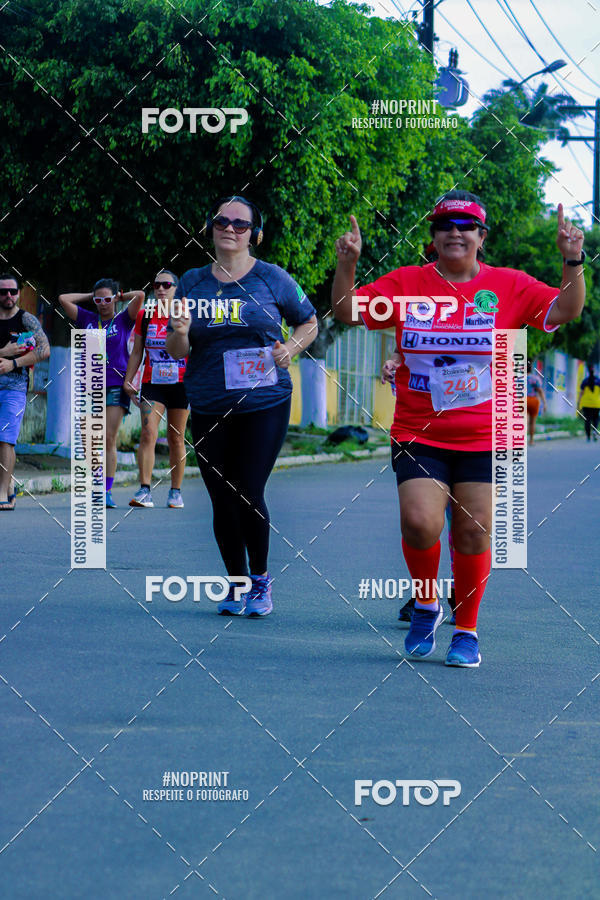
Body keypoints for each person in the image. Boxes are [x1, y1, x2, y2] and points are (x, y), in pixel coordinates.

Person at [332, 190, 585, 667]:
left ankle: (466, 628)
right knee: (420, 521)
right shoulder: (408, 283)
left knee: (474, 532)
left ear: (481, 237)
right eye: (445, 224)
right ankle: (427, 602)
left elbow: (566, 310)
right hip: (418, 430)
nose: (455, 232)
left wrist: (573, 260)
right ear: (432, 238)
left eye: (466, 225)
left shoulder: (509, 286)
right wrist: (348, 264)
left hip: (486, 435)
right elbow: (348, 312)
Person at [166, 196, 318, 616]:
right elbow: (179, 350)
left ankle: (261, 581)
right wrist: (179, 331)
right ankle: (235, 582)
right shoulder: (192, 282)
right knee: (221, 496)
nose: (229, 229)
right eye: (221, 221)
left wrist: (290, 347)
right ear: (210, 228)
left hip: (264, 400)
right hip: (210, 401)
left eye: (240, 224)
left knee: (248, 490)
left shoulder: (272, 278)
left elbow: (309, 321)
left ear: (255, 233)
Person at [58, 279, 144, 507]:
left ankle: (105, 491)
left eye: (107, 299)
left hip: (117, 383)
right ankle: (95, 483)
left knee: (107, 437)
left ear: (115, 298)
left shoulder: (124, 319)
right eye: (99, 300)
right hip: (90, 385)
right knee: (89, 440)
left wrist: (120, 297)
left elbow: (141, 295)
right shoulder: (86, 318)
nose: (103, 304)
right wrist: (90, 295)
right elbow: (63, 299)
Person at [123, 270, 189, 508]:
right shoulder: (146, 315)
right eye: (157, 285)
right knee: (148, 432)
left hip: (181, 383)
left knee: (175, 437)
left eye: (166, 285)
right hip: (153, 383)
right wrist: (129, 379)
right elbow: (137, 351)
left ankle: (175, 491)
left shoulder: (186, 314)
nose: (161, 289)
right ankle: (144, 490)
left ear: (176, 289)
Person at [0, 273, 51, 509]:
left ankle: (3, 493)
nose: (8, 296)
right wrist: (5, 352)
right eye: (3, 292)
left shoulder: (26, 320)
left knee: (6, 440)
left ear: (19, 293)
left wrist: (13, 362)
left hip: (15, 387)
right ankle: (8, 485)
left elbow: (45, 350)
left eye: (12, 291)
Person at [576, 363, 600, 442]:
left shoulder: (585, 381)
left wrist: (578, 403)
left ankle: (588, 436)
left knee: (587, 420)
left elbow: (581, 393)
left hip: (586, 404)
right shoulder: (598, 381)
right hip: (596, 404)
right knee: (596, 419)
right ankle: (594, 431)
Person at [526, 359, 546, 446]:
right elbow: (540, 391)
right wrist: (544, 403)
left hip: (521, 400)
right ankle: (531, 441)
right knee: (532, 422)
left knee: (524, 421)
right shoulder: (535, 378)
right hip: (533, 400)